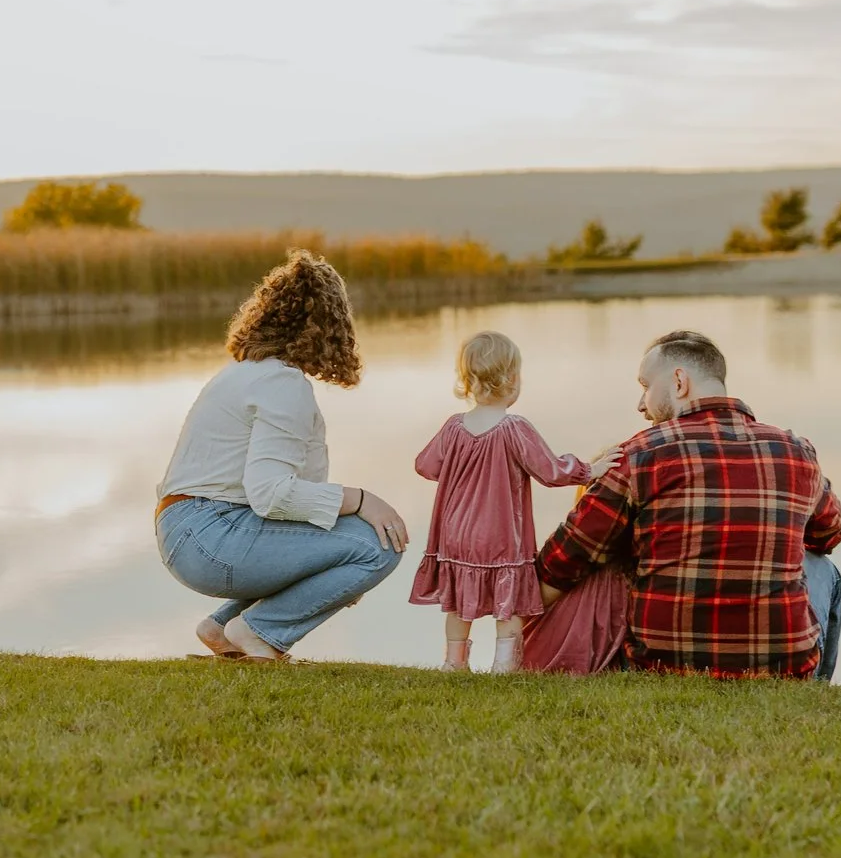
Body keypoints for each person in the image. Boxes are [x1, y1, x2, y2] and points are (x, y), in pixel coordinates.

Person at [535, 328, 841, 680]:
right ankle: (815, 686)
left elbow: (559, 563)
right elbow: (830, 534)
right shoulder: (795, 453)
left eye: (645, 387)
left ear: (679, 381)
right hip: (780, 669)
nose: (641, 405)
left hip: (662, 667)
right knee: (823, 567)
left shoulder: (638, 454)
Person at [154, 250, 411, 661]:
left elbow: (284, 498)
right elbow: (272, 495)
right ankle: (260, 633)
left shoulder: (246, 371)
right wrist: (362, 500)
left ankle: (221, 626)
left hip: (186, 530)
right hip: (209, 536)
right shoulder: (281, 383)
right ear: (329, 323)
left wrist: (332, 570)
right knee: (379, 546)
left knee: (352, 544)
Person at [408, 331, 595, 673]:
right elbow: (550, 471)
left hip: (456, 533)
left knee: (456, 606)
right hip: (500, 534)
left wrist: (461, 472)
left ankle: (454, 663)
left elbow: (425, 465)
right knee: (508, 605)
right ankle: (504, 666)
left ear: (467, 380)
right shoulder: (514, 428)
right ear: (511, 379)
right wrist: (588, 470)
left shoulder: (453, 427)